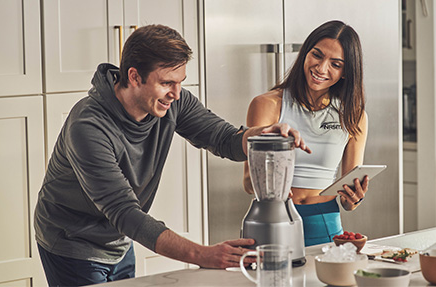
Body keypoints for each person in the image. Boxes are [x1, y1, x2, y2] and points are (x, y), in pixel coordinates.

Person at [34, 24, 308, 286]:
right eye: (166, 83)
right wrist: (204, 254)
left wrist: (262, 134)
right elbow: (126, 212)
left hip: (118, 238)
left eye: (180, 82)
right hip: (72, 241)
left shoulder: (173, 102)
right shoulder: (89, 125)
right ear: (133, 76)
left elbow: (223, 139)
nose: (176, 94)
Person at [243, 20, 368, 246]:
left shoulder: (353, 115)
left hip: (327, 223)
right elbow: (248, 182)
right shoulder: (267, 104)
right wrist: (273, 188)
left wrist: (354, 199)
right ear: (305, 54)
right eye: (317, 55)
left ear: (346, 72)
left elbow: (348, 200)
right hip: (274, 220)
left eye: (335, 64)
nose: (321, 68)